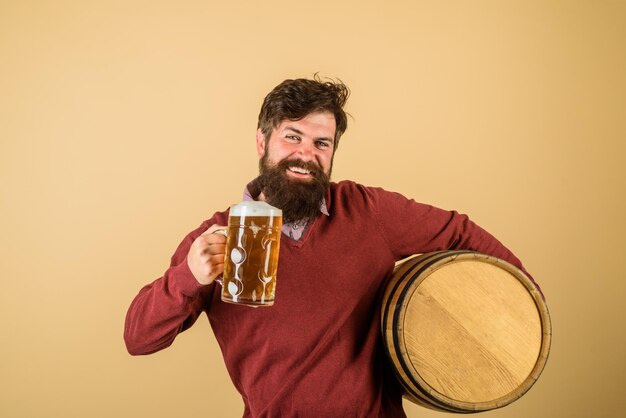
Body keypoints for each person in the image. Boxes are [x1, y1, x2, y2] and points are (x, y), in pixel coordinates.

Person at [124, 75, 540, 417]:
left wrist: (522, 309)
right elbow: (139, 338)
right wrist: (188, 277)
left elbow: (459, 232)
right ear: (261, 142)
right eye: (293, 137)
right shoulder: (216, 238)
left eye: (321, 143)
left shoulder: (368, 210)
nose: (306, 154)